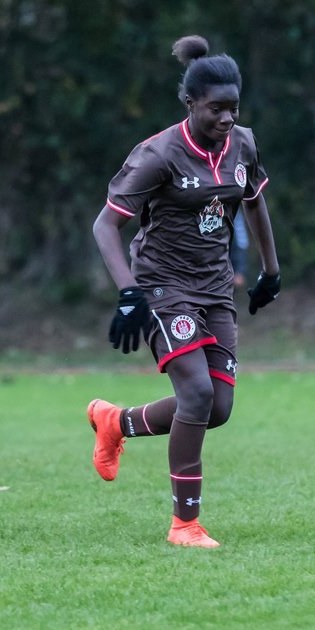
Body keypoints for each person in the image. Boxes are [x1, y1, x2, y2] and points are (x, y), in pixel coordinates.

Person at [86, 35, 281, 548]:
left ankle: (115, 422)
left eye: (233, 109)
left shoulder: (243, 143)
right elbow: (105, 226)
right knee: (194, 393)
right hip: (161, 284)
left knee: (217, 408)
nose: (226, 119)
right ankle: (185, 525)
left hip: (215, 287)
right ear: (191, 103)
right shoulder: (158, 154)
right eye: (216, 109)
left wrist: (271, 270)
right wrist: (129, 293)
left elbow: (255, 201)